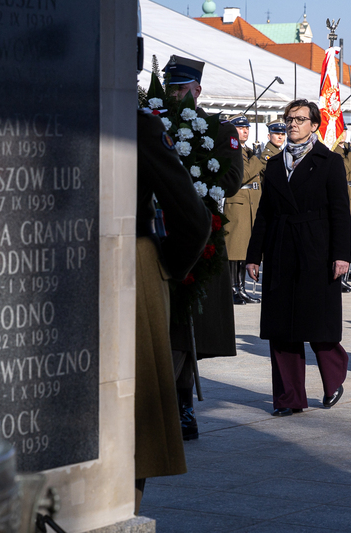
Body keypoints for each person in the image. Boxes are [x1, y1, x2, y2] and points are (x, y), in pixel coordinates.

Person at [245, 99, 351, 416]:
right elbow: (264, 213)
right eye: (289, 119)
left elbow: (340, 213)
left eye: (300, 119)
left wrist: (341, 255)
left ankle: (333, 378)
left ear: (314, 125)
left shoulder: (329, 161)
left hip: (316, 248)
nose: (292, 124)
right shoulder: (275, 164)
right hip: (280, 248)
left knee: (316, 323)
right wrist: (254, 255)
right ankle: (289, 398)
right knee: (282, 328)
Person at [163, 55, 244, 440]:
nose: (176, 94)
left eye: (182, 88)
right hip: (158, 235)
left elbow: (230, 179)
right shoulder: (151, 124)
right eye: (171, 88)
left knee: (188, 324)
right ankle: (171, 400)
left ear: (197, 90)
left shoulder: (218, 129)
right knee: (166, 325)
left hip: (201, 236)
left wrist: (193, 171)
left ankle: (183, 404)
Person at [135, 106, 212, 510]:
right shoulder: (132, 121)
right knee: (133, 424)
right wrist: (166, 267)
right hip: (128, 264)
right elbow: (192, 218)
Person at [225, 113, 265, 305]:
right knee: (235, 249)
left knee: (245, 250)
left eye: (247, 127)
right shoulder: (231, 149)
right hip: (238, 202)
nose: (245, 130)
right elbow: (242, 175)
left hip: (251, 203)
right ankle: (233, 288)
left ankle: (241, 287)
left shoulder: (247, 151)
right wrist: (257, 159)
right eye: (241, 128)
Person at [333, 126, 351, 292]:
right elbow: (342, 170)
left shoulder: (345, 150)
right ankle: (342, 278)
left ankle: (348, 275)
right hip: (345, 195)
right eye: (339, 131)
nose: (342, 134)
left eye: (344, 131)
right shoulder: (335, 150)